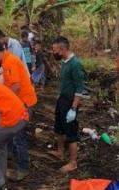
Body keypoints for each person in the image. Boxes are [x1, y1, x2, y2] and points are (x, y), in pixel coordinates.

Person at [0, 40, 37, 181]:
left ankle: (23, 169)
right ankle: (17, 163)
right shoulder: (6, 61)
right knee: (14, 137)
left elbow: (15, 87)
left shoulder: (10, 62)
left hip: (24, 104)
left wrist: (4, 102)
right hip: (20, 103)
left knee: (19, 137)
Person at [49, 36, 84, 173]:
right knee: (58, 128)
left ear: (63, 49)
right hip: (62, 100)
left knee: (71, 133)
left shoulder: (75, 64)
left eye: (55, 50)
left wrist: (74, 108)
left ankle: (73, 162)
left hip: (70, 103)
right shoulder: (64, 61)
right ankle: (60, 152)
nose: (53, 53)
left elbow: (79, 89)